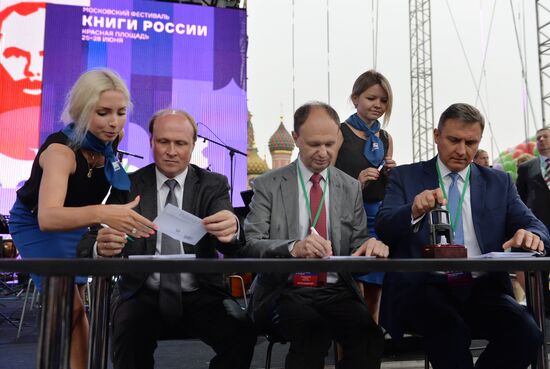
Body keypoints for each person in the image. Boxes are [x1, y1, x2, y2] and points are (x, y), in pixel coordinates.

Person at [77, 109, 256, 369]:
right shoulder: (128, 185)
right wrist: (99, 245)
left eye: (180, 143)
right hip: (142, 293)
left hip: (200, 293)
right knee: (127, 336)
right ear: (151, 142)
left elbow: (230, 241)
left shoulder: (212, 184)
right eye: (163, 142)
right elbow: (90, 237)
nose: (171, 151)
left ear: (193, 145)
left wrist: (232, 228)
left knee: (242, 334)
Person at [376, 103, 549, 369]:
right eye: (453, 140)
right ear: (436, 136)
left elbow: (536, 227)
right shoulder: (405, 176)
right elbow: (384, 228)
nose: (462, 150)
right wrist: (412, 210)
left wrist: (531, 235)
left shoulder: (498, 183)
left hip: (482, 289)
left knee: (527, 333)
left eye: (471, 142)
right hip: (424, 288)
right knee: (449, 331)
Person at [8, 68, 156, 369]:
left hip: (75, 223)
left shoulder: (111, 138)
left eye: (120, 112)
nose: (114, 122)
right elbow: (48, 217)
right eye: (103, 113)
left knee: (76, 309)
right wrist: (103, 215)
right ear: (81, 110)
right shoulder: (60, 152)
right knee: (71, 309)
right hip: (36, 225)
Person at [244, 101, 389, 369]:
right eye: (314, 145)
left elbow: (357, 242)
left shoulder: (349, 187)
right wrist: (293, 248)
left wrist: (370, 244)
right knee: (313, 333)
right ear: (296, 139)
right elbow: (251, 244)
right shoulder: (268, 184)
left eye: (330, 144)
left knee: (370, 338)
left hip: (335, 290)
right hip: (285, 289)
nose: (324, 153)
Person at [334, 69, 396, 322]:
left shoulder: (385, 137)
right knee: (351, 289)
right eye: (372, 98)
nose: (378, 105)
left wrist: (392, 173)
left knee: (376, 286)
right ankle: (348, 350)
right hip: (347, 217)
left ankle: (371, 344)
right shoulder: (339, 132)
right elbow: (325, 177)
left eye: (383, 101)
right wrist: (355, 183)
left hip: (378, 217)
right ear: (355, 98)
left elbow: (387, 186)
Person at [516, 126, 550, 313]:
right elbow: (518, 199)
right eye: (539, 138)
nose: (542, 140)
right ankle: (543, 312)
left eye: (545, 137)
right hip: (540, 231)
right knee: (540, 272)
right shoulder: (527, 168)